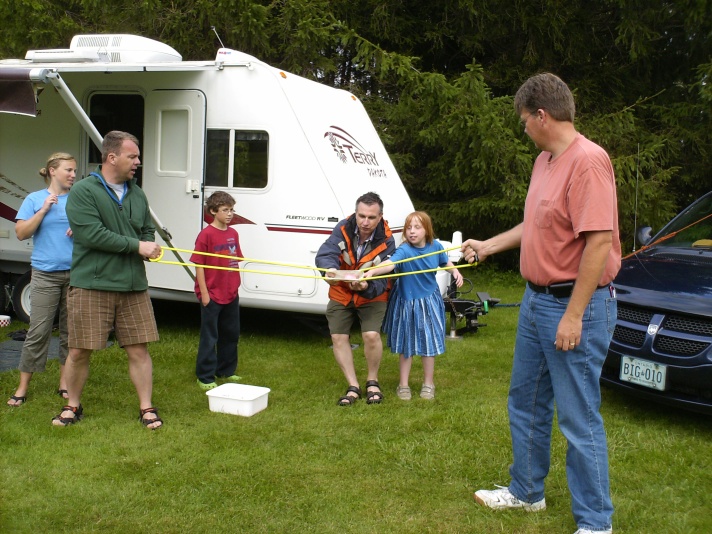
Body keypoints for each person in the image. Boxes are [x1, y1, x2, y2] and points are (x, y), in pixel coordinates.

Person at [462, 73, 621, 534]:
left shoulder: (588, 162)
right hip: (535, 303)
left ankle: (595, 523)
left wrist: (573, 314)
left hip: (576, 307)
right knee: (526, 401)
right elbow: (535, 224)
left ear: (541, 115)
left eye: (524, 121)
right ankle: (526, 492)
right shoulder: (545, 162)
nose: (524, 129)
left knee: (577, 416)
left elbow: (597, 244)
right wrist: (489, 245)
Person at [52, 131, 164, 430]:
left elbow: (145, 229)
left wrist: (148, 245)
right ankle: (72, 405)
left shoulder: (137, 193)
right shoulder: (84, 191)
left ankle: (146, 407)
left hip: (132, 285)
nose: (138, 162)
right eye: (133, 156)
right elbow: (91, 234)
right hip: (92, 284)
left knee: (139, 349)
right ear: (112, 157)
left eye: (137, 156)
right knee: (79, 350)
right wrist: (136, 246)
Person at [362, 211, 463, 400]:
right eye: (409, 228)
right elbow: (390, 264)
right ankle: (403, 385)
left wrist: (455, 271)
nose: (412, 232)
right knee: (406, 344)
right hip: (406, 302)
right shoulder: (404, 250)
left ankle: (428, 383)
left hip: (428, 301)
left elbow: (445, 261)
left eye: (417, 227)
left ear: (427, 230)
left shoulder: (435, 247)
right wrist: (372, 272)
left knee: (428, 343)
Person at [7, 153, 76, 407]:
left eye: (74, 170)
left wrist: (81, 227)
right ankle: (23, 386)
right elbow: (21, 233)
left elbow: (94, 230)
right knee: (38, 331)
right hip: (45, 274)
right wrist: (44, 209)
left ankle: (65, 384)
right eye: (68, 170)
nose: (72, 174)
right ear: (52, 171)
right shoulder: (34, 199)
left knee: (71, 333)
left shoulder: (79, 199)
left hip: (75, 274)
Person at [315, 192, 396, 406]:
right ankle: (353, 386)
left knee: (370, 335)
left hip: (372, 293)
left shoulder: (387, 239)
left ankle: (372, 381)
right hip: (341, 292)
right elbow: (326, 253)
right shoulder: (343, 228)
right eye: (361, 216)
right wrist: (330, 271)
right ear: (355, 213)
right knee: (338, 338)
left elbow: (387, 275)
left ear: (380, 217)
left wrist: (367, 286)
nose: (365, 222)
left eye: (371, 217)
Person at [190, 191, 243, 390]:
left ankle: (226, 370)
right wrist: (204, 293)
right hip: (212, 293)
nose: (230, 214)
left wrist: (235, 285)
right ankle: (205, 376)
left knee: (231, 333)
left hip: (231, 292)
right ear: (213, 211)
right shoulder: (206, 235)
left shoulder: (233, 233)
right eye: (225, 210)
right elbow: (199, 264)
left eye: (232, 210)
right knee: (210, 335)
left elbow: (234, 261)